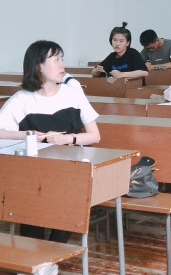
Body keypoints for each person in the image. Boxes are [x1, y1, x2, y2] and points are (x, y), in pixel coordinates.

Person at [0, 40, 100, 244]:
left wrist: (68, 138)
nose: (63, 65)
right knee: (30, 200)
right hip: (36, 172)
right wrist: (27, 135)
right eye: (56, 60)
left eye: (62, 59)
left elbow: (95, 136)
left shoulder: (73, 94)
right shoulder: (21, 99)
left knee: (69, 202)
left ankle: (53, 249)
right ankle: (36, 255)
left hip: (72, 169)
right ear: (39, 65)